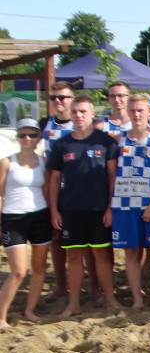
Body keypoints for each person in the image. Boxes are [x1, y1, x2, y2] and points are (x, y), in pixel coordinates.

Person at [47, 95, 123, 317]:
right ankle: (73, 304)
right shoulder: (62, 144)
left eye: (83, 111)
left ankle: (110, 299)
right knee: (74, 257)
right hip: (70, 209)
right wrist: (54, 210)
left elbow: (113, 177)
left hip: (99, 209)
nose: (78, 115)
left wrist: (110, 208)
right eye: (75, 111)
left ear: (92, 113)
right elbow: (54, 179)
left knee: (102, 255)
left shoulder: (106, 142)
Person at [111, 93, 150, 309]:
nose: (136, 114)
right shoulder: (118, 139)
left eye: (140, 110)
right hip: (125, 205)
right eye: (132, 110)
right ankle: (137, 300)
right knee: (131, 252)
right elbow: (112, 174)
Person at [0, 119, 51, 329]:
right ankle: (1, 317)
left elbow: (47, 192)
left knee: (39, 268)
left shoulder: (44, 162)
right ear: (17, 138)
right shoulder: (6, 162)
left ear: (39, 138)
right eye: (22, 135)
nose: (27, 138)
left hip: (40, 216)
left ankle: (29, 311)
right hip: (13, 218)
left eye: (31, 135)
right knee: (19, 271)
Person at [41, 81, 80, 302]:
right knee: (56, 238)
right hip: (53, 188)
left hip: (78, 189)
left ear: (72, 99)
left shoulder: (82, 123)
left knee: (82, 242)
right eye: (53, 97)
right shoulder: (45, 123)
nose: (57, 101)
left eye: (62, 97)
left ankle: (92, 286)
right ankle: (60, 285)